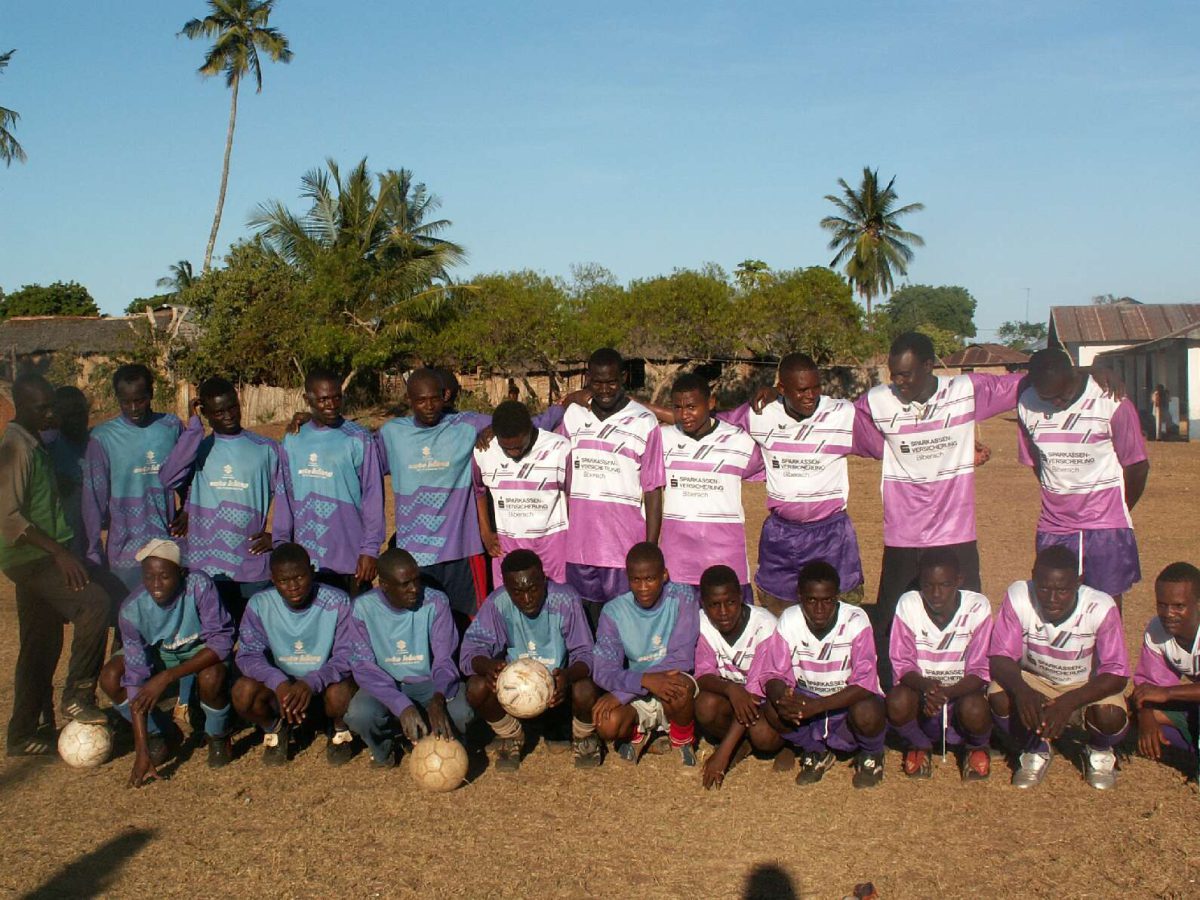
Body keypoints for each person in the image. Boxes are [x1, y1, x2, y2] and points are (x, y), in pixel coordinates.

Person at [2, 374, 111, 756]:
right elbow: (8, 517)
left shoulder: (36, 443)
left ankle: (24, 733)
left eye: (52, 407)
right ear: (20, 406)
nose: (51, 415)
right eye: (42, 408)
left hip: (38, 557)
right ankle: (79, 694)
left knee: (40, 647)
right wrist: (60, 553)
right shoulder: (15, 447)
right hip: (33, 560)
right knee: (95, 604)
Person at [723, 353, 870, 614]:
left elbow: (888, 437)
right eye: (801, 390)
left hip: (832, 536)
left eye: (816, 387)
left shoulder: (841, 414)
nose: (811, 396)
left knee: (839, 614)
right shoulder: (759, 414)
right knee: (779, 614)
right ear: (782, 389)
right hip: (781, 537)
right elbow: (712, 426)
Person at [988, 545, 1130, 790]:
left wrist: (1068, 702)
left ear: (1079, 581)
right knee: (998, 696)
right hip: (1035, 680)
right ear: (1033, 576)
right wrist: (1023, 691)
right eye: (1044, 588)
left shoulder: (1101, 606)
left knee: (1110, 715)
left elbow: (1117, 674)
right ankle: (1035, 748)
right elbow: (1000, 657)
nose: (1052, 599)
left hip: (1084, 685)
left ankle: (1099, 750)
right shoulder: (1019, 595)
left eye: (1062, 590)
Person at [1017, 348, 1149, 609]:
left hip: (1105, 525)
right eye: (1048, 398)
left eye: (1062, 396)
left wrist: (1118, 509)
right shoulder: (1027, 403)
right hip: (1055, 526)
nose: (1057, 404)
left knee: (1105, 605)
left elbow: (1137, 466)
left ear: (1074, 376)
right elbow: (1038, 462)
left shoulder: (1111, 400)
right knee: (1055, 603)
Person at [99, 539, 234, 785]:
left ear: (180, 573)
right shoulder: (131, 610)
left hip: (199, 652)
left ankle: (218, 734)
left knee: (211, 677)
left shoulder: (199, 585)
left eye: (164, 576)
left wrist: (167, 677)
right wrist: (141, 751)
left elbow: (221, 643)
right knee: (111, 677)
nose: (156, 585)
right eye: (149, 577)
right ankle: (160, 732)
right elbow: (135, 680)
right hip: (161, 655)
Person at [748, 561, 887, 788]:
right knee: (772, 708)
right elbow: (773, 673)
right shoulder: (790, 619)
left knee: (867, 710)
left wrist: (818, 706)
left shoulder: (856, 620)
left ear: (837, 597)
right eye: (811, 600)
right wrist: (783, 698)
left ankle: (872, 754)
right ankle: (815, 751)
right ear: (800, 597)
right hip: (807, 702)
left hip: (845, 705)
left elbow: (864, 682)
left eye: (827, 600)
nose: (820, 608)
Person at [460, 549, 600, 770]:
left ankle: (583, 737)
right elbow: (469, 653)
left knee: (585, 688)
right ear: (506, 587)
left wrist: (567, 676)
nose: (526, 599)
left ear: (544, 579)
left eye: (533, 589)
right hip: (514, 695)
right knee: (476, 687)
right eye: (517, 592)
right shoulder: (497, 603)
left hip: (559, 695)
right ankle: (511, 735)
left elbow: (586, 653)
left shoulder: (566, 599)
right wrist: (488, 667)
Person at [159, 377, 281, 622]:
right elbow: (169, 478)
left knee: (256, 631)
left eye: (232, 407)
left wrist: (278, 536)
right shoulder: (198, 449)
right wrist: (194, 428)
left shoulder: (265, 448)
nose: (228, 416)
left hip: (251, 564)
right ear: (205, 413)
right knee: (216, 634)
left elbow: (290, 499)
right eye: (218, 412)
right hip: (207, 566)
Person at [559, 349, 665, 628]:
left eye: (612, 382)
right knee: (585, 626)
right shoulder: (572, 416)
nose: (605, 390)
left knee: (624, 626)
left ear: (624, 378)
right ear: (588, 379)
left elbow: (653, 489)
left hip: (623, 548)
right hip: (579, 547)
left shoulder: (644, 421)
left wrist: (650, 547)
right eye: (598, 382)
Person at [344, 548, 472, 767]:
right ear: (384, 585)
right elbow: (364, 667)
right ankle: (386, 748)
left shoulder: (436, 602)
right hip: (386, 684)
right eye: (405, 584)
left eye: (416, 580)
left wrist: (439, 697)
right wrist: (401, 705)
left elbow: (444, 659)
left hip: (430, 683)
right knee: (360, 714)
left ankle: (447, 745)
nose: (415, 589)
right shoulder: (363, 608)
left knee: (461, 713)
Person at [233, 543, 356, 765]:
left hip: (323, 683)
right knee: (243, 692)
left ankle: (339, 731)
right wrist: (278, 682)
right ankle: (275, 729)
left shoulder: (338, 601)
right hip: (283, 689)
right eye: (283, 580)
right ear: (272, 579)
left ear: (312, 571)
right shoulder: (260, 604)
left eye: (299, 577)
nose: (293, 587)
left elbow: (347, 654)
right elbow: (249, 654)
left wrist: (312, 682)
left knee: (341, 694)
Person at [885, 548, 994, 781]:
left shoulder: (977, 607)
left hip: (961, 693)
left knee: (975, 708)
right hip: (923, 694)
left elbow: (980, 670)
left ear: (959, 580)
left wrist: (947, 693)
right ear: (920, 582)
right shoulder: (909, 604)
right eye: (928, 585)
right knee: (897, 701)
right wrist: (926, 687)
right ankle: (919, 744)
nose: (936, 593)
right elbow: (902, 664)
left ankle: (976, 747)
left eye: (944, 585)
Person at [274, 368, 384, 596]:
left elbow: (373, 496)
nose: (332, 405)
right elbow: (285, 496)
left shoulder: (359, 438)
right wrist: (281, 544)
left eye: (337, 397)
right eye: (323, 399)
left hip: (351, 558)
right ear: (307, 400)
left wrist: (370, 550)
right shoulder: (293, 439)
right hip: (306, 562)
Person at [592, 542, 700, 765]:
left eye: (650, 579)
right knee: (606, 723)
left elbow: (681, 658)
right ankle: (638, 733)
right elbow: (603, 671)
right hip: (638, 688)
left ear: (664, 575)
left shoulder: (683, 596)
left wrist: (624, 693)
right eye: (636, 580)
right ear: (627, 578)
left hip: (670, 682)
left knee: (678, 687)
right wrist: (644, 681)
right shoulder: (613, 611)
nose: (643, 588)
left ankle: (682, 739)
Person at [659, 373, 763, 603]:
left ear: (711, 403)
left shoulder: (739, 441)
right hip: (678, 561)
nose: (684, 415)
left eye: (691, 407)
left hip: (725, 558)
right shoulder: (661, 439)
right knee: (680, 622)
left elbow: (767, 469)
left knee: (729, 620)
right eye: (677, 407)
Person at [82, 364, 184, 596]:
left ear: (151, 394)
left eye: (140, 400)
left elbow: (189, 474)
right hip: (125, 549)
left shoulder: (171, 427)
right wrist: (93, 550)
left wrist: (186, 508)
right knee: (126, 612)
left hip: (166, 544)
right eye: (126, 402)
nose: (134, 408)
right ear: (117, 398)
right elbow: (93, 499)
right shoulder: (103, 438)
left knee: (165, 610)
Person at [693, 564, 781, 789]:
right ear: (703, 603)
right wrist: (731, 689)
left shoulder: (765, 626)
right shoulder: (702, 623)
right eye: (714, 605)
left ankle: (741, 744)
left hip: (763, 703)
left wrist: (722, 755)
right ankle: (739, 742)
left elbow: (755, 693)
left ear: (741, 597)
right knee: (705, 705)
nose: (723, 612)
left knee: (763, 737)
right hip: (734, 698)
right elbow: (703, 675)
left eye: (730, 602)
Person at [473, 400, 571, 585]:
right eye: (506, 448)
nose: (513, 453)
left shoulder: (559, 449)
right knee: (508, 598)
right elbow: (479, 491)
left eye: (519, 447)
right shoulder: (484, 451)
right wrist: (486, 532)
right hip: (507, 547)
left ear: (530, 429)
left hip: (552, 548)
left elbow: (573, 497)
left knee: (555, 597)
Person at [1131, 562, 1200, 772]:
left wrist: (1167, 692)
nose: (1168, 613)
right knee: (1126, 712)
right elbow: (1149, 688)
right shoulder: (1156, 630)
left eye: (1179, 606)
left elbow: (1163, 692)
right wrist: (1145, 715)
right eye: (1162, 605)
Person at [45, 386, 91, 560]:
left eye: (80, 413)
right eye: (68, 415)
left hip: (93, 540)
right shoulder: (46, 448)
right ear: (56, 416)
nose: (76, 420)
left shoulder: (100, 443)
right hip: (63, 546)